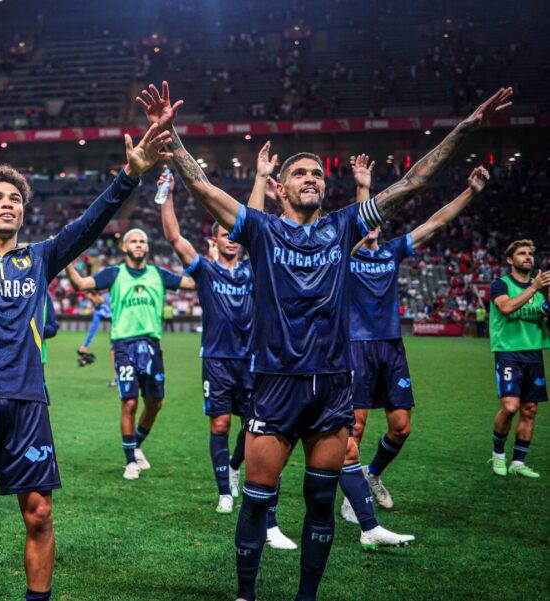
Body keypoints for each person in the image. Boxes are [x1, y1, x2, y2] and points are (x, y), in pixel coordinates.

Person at [137, 80, 513, 600]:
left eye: (317, 172)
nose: (311, 178)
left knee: (318, 502)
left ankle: (306, 597)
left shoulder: (344, 226)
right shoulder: (262, 230)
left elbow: (411, 184)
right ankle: (246, 595)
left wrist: (467, 126)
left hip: (334, 387)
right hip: (275, 384)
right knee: (255, 502)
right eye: (300, 173)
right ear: (282, 189)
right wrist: (171, 135)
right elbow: (202, 187)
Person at [0, 99, 172, 601]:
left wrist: (129, 177)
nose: (8, 203)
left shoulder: (40, 258)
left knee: (39, 512)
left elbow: (89, 224)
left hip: (26, 399)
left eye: (15, 198)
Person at [335, 160, 488, 546]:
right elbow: (359, 218)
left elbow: (435, 223)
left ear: (384, 226)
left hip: (391, 347)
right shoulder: (346, 256)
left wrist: (471, 192)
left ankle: (372, 473)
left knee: (401, 427)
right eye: (366, 220)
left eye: (376, 221)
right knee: (355, 427)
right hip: (355, 346)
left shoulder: (391, 252)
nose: (371, 225)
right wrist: (363, 187)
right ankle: (353, 498)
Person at [159, 162, 298, 550]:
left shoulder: (255, 269)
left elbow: (251, 222)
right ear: (215, 241)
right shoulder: (204, 271)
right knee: (220, 424)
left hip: (254, 361)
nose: (231, 239)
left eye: (234, 234)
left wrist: (258, 178)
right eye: (224, 234)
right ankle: (225, 489)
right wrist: (167, 195)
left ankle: (237, 468)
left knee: (255, 430)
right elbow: (173, 237)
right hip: (217, 360)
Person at [66, 228, 195, 481]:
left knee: (155, 403)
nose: (138, 244)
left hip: (152, 344)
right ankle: (130, 462)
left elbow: (191, 284)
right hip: (124, 345)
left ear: (147, 248)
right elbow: (80, 284)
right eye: (133, 241)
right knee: (129, 402)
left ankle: (135, 444)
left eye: (142, 241)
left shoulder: (158, 274)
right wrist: (69, 264)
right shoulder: (114, 274)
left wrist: (190, 258)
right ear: (124, 247)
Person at [489, 239, 550, 479]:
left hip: (534, 352)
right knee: (510, 407)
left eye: (530, 254)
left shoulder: (540, 288)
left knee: (530, 409)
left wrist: (546, 291)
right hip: (508, 352)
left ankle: (518, 462)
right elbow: (506, 308)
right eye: (522, 253)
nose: (527, 257)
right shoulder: (500, 284)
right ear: (510, 259)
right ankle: (498, 455)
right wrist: (534, 288)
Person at [76, 290, 110, 367]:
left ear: (97, 295)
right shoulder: (97, 310)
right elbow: (93, 329)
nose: (91, 302)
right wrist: (85, 345)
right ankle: (115, 378)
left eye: (91, 299)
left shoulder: (110, 297)